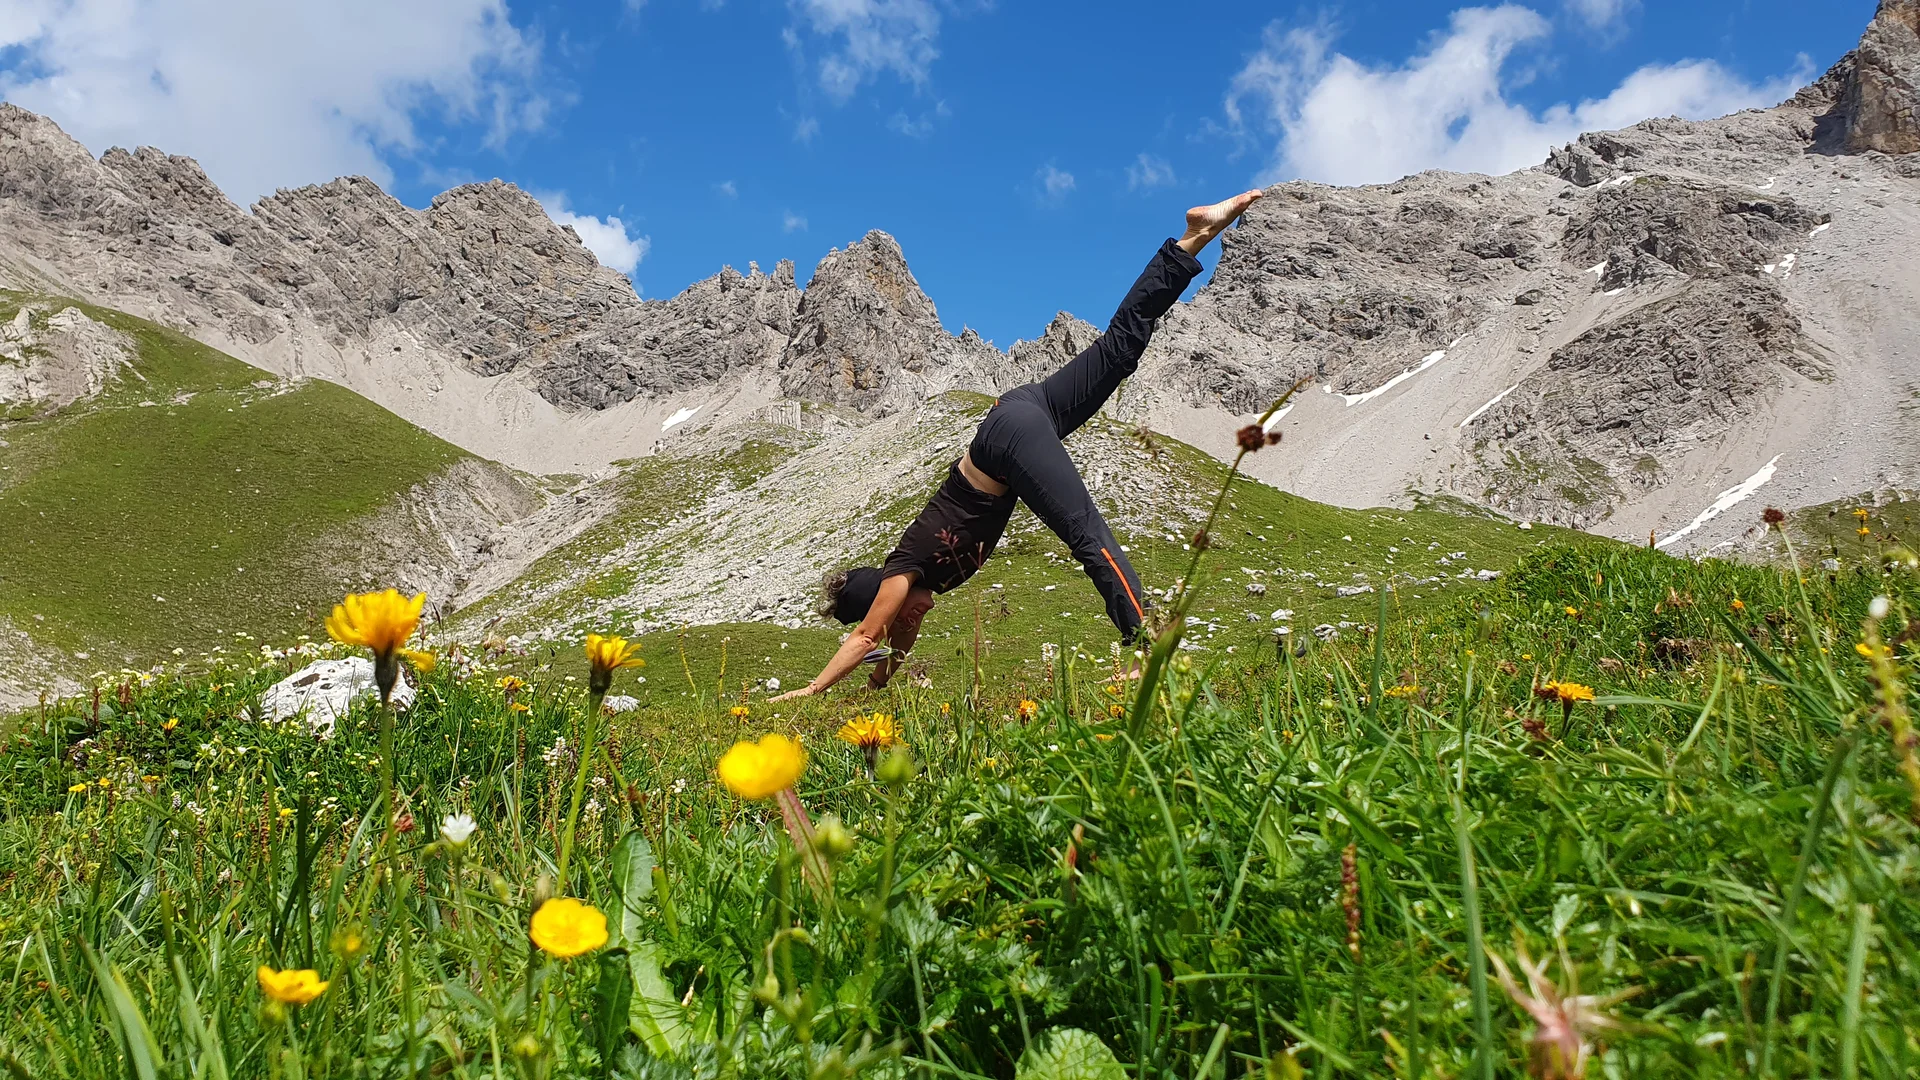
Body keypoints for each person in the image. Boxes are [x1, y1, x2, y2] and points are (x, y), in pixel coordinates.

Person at [770, 190, 1265, 702]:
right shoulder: (915, 597)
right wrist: (875, 684)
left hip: (1007, 442)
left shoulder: (900, 573)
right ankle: (1190, 240)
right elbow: (889, 647)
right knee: (1118, 352)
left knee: (1084, 534)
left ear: (883, 596)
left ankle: (1146, 651)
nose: (911, 616)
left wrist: (812, 689)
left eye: (899, 611)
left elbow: (867, 635)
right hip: (1025, 412)